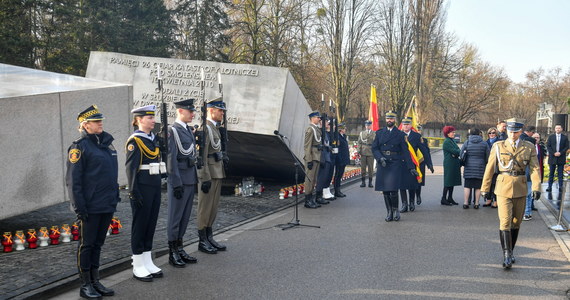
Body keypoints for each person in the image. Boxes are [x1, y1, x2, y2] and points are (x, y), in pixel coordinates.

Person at [66, 105, 119, 298]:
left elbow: (110, 175)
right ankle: (85, 284)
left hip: (106, 203)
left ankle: (96, 280)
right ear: (85, 125)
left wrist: (115, 197)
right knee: (87, 245)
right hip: (90, 206)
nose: (100, 123)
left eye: (100, 120)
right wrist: (79, 208)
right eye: (96, 121)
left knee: (98, 244)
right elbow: (73, 181)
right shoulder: (79, 147)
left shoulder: (106, 144)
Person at [481, 118, 541, 269]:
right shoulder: (498, 146)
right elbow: (490, 168)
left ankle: (511, 250)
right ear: (506, 130)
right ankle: (506, 254)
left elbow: (535, 168)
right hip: (503, 186)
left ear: (521, 132)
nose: (513, 134)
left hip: (520, 186)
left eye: (515, 132)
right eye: (510, 131)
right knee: (505, 221)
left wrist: (536, 187)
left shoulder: (528, 147)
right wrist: (485, 188)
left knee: (516, 222)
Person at [125, 105, 165, 282]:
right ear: (139, 120)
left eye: (153, 117)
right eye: (149, 118)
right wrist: (133, 191)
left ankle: (147, 260)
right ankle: (138, 263)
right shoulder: (135, 141)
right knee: (140, 225)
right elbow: (131, 168)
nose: (153, 120)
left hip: (154, 185)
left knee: (151, 224)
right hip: (142, 187)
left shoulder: (153, 138)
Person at [166, 99, 198, 267]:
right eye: (190, 111)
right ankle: (172, 252)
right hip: (179, 181)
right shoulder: (173, 131)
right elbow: (171, 159)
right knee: (175, 217)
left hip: (190, 178)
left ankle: (180, 247)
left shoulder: (187, 130)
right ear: (180, 111)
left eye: (193, 111)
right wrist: (175, 182)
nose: (193, 114)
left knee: (185, 217)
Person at [197, 97, 228, 254]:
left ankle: (209, 235)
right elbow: (202, 155)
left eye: (222, 110)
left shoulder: (215, 128)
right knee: (205, 207)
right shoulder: (205, 128)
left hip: (217, 171)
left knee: (213, 207)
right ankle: (202, 239)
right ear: (210, 110)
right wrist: (204, 176)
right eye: (220, 110)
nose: (222, 113)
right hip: (209, 173)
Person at [372, 111, 415, 222]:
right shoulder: (379, 133)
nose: (389, 120)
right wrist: (379, 158)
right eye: (387, 118)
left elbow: (406, 152)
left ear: (395, 120)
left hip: (395, 163)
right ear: (385, 119)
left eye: (391, 119)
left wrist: (411, 167)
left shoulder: (401, 135)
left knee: (393, 189)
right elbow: (375, 148)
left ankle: (396, 210)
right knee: (385, 190)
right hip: (383, 163)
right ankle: (389, 211)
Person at [460, 128, 490, 209]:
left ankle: (465, 203)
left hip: (469, 167)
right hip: (480, 167)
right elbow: (488, 156)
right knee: (478, 187)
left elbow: (461, 153)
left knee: (467, 186)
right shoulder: (484, 144)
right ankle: (476, 203)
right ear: (479, 134)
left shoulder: (467, 142)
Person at [399, 117, 422, 212]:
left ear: (411, 125)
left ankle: (411, 202)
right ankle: (404, 204)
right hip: (401, 163)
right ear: (402, 125)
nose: (406, 126)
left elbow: (423, 149)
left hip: (413, 163)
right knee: (402, 185)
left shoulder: (416, 136)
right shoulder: (398, 135)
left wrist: (429, 162)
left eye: (407, 124)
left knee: (412, 184)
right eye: (404, 124)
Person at [524, 132, 547, 221]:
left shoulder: (528, 152)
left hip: (528, 175)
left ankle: (527, 213)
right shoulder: (534, 149)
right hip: (532, 175)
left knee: (527, 195)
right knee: (529, 195)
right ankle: (528, 212)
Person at [303, 111, 324, 209]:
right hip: (312, 157)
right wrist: (309, 159)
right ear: (312, 118)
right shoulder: (310, 129)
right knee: (309, 179)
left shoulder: (316, 129)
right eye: (317, 117)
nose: (319, 119)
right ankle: (307, 200)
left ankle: (311, 199)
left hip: (317, 156)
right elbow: (307, 146)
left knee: (314, 179)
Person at [314, 117, 333, 205]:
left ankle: (320, 196)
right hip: (322, 157)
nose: (327, 123)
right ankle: (318, 197)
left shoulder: (325, 132)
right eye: (325, 122)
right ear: (321, 122)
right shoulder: (319, 131)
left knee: (325, 177)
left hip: (327, 157)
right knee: (321, 178)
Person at [441, 126, 461, 206]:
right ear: (448, 133)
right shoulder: (447, 142)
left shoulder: (452, 141)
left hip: (454, 163)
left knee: (452, 181)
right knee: (448, 181)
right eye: (452, 132)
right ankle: (443, 198)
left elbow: (458, 150)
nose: (454, 133)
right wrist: (456, 152)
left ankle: (450, 197)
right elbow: (456, 151)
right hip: (449, 163)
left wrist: (456, 152)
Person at [546, 124, 568, 193]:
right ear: (554, 129)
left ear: (561, 129)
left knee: (560, 173)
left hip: (561, 157)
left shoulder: (565, 137)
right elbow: (548, 146)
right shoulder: (551, 137)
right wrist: (554, 153)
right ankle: (549, 186)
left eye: (559, 128)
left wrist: (560, 153)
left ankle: (560, 186)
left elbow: (567, 146)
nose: (558, 129)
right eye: (556, 128)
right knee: (551, 173)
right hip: (552, 157)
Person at [416, 125, 434, 205]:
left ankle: (418, 195)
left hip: (421, 162)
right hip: (412, 162)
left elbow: (427, 153)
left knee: (419, 180)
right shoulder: (408, 139)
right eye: (417, 130)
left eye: (419, 130)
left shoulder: (424, 140)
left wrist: (430, 164)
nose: (418, 132)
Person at [333, 123, 350, 197]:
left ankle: (339, 190)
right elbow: (338, 148)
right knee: (337, 175)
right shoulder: (337, 137)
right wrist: (339, 159)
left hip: (344, 159)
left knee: (340, 175)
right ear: (340, 130)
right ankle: (336, 191)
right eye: (344, 128)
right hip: (340, 159)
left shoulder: (344, 136)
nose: (345, 130)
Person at [358, 120, 376, 188]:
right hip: (363, 151)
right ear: (365, 126)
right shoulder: (362, 133)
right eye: (366, 125)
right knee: (363, 168)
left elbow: (376, 142)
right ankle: (363, 182)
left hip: (371, 151)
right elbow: (359, 142)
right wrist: (358, 150)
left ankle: (370, 182)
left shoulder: (374, 133)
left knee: (370, 168)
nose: (367, 126)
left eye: (369, 125)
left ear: (371, 126)